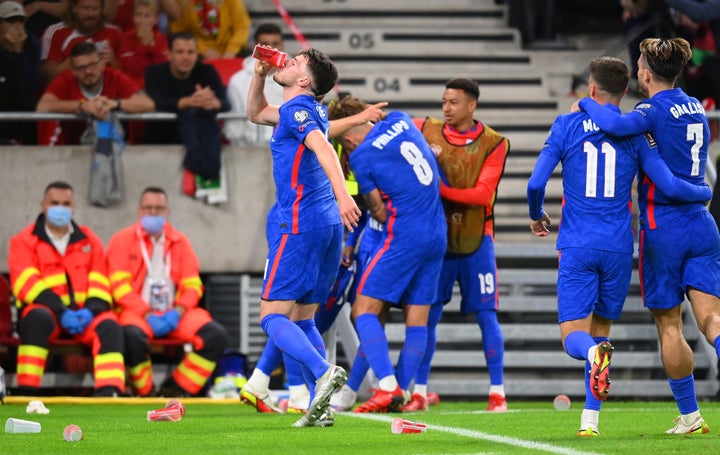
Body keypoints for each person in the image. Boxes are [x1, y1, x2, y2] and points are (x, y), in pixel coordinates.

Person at [529, 56, 713, 437]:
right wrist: (705, 190)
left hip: (581, 243)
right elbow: (668, 182)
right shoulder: (637, 133)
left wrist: (536, 214)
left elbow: (535, 184)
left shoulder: (567, 125)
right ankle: (589, 421)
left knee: (577, 339)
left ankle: (595, 366)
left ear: (591, 88)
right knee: (605, 331)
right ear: (626, 87)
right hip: (619, 246)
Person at [578, 37, 720, 435]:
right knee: (711, 318)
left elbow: (612, 123)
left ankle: (690, 417)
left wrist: (586, 101)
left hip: (665, 226)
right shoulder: (693, 104)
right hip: (703, 223)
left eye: (639, 63)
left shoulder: (649, 110)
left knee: (670, 324)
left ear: (645, 72)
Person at [245, 45, 361, 427]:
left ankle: (323, 372)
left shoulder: (298, 111)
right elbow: (255, 113)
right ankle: (321, 405)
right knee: (303, 317)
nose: (286, 61)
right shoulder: (307, 110)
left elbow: (325, 148)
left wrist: (344, 193)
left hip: (299, 224)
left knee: (271, 317)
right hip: (326, 226)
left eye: (294, 62)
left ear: (304, 80)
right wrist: (259, 76)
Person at [327, 96, 447, 414]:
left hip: (404, 236)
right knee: (417, 321)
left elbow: (378, 211)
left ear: (349, 138)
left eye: (346, 146)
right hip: (437, 233)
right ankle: (402, 396)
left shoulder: (362, 156)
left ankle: (388, 387)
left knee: (363, 311)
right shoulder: (402, 120)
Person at [411, 77, 510, 412]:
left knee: (486, 316)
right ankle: (419, 392)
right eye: (444, 101)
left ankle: (498, 392)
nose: (447, 108)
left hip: (475, 240)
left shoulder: (495, 142)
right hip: (437, 242)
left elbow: (483, 196)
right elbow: (390, 127)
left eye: (454, 102)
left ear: (472, 105)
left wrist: (436, 189)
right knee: (428, 317)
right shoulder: (425, 129)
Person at [7, 180, 127, 396]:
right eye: (54, 203)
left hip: (85, 316)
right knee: (36, 319)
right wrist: (61, 312)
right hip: (48, 315)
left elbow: (100, 281)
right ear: (43, 205)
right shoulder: (24, 241)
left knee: (110, 325)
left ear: (73, 207)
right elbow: (26, 283)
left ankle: (110, 393)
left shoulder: (90, 240)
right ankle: (28, 391)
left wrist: (91, 311)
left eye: (65, 203)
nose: (60, 208)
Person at [107, 187, 229, 397]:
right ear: (139, 211)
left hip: (176, 313)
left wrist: (178, 312)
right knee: (131, 336)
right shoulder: (122, 240)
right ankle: (145, 392)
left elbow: (193, 285)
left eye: (159, 208)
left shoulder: (180, 242)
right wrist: (146, 313)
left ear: (168, 212)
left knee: (215, 335)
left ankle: (176, 389)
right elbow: (119, 288)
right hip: (138, 314)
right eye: (148, 208)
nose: (153, 213)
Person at [143, 32, 229, 198]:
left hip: (198, 139)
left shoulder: (207, 71)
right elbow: (155, 104)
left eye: (190, 52)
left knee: (201, 117)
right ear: (169, 55)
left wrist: (212, 102)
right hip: (160, 140)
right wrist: (188, 101)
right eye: (180, 52)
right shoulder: (154, 72)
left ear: (197, 54)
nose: (186, 57)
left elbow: (225, 103)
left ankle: (203, 174)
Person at [36, 41, 154, 144]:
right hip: (71, 150)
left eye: (92, 65)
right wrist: (82, 106)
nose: (88, 71)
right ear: (73, 70)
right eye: (81, 67)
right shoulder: (66, 79)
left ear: (102, 64)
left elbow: (148, 104)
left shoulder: (114, 76)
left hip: (113, 147)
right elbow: (43, 106)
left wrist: (113, 103)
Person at [224, 22, 284, 146]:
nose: (271, 50)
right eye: (265, 45)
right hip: (249, 150)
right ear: (254, 47)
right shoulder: (237, 80)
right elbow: (234, 126)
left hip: (287, 150)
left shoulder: (297, 78)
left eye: (275, 44)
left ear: (282, 46)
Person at [40, 0, 121, 84]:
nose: (90, 14)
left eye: (95, 9)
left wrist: (112, 61)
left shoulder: (114, 32)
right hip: (67, 91)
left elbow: (125, 77)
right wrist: (71, 63)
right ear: (74, 8)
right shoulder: (55, 32)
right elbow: (47, 77)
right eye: (85, 8)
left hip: (105, 93)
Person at [0, 1, 40, 145]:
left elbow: (28, 90)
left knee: (33, 105)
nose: (17, 26)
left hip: (19, 110)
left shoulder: (31, 44)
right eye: (11, 21)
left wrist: (17, 52)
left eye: (21, 20)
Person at [169, 0, 250, 59]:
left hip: (231, 49)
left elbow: (242, 28)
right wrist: (203, 50)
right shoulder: (182, 3)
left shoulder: (232, 1)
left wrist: (231, 51)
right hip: (198, 50)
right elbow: (179, 32)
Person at [117, 0, 168, 88]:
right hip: (132, 88)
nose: (142, 20)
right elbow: (133, 69)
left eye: (147, 16)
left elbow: (162, 69)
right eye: (138, 14)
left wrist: (151, 45)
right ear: (133, 17)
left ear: (156, 19)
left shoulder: (161, 38)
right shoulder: (125, 38)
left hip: (158, 87)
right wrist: (144, 44)